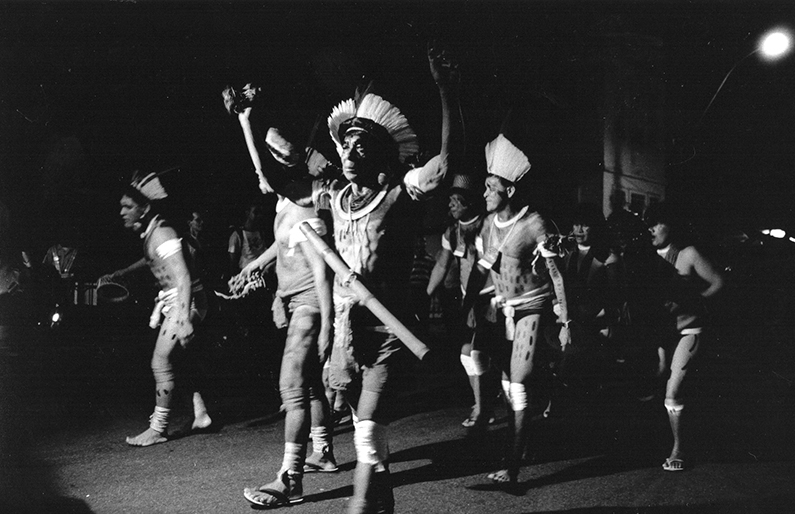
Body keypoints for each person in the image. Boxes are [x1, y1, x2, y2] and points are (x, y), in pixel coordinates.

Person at [239, 46, 461, 514]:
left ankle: (360, 508)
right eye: (348, 144)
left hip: (386, 335)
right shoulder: (333, 197)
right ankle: (371, 500)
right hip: (345, 332)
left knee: (365, 435)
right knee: (368, 442)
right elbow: (274, 182)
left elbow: (444, 162)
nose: (352, 151)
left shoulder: (401, 195)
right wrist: (247, 121)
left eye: (364, 145)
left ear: (382, 152)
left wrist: (445, 90)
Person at [228, 88, 340, 509]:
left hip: (311, 300)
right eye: (270, 154)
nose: (270, 160)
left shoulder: (314, 195)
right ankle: (324, 451)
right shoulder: (285, 196)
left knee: (291, 384)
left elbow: (320, 265)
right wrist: (256, 265)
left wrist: (328, 323)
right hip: (294, 298)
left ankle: (289, 478)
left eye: (280, 153)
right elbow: (287, 236)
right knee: (308, 381)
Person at [460, 133, 571, 487]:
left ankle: (512, 465)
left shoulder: (533, 224)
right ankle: (522, 443)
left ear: (508, 190)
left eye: (490, 187)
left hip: (531, 309)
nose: (484, 193)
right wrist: (467, 307)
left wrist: (565, 319)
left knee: (518, 381)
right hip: (501, 310)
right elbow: (481, 269)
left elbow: (556, 273)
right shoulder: (487, 225)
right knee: (508, 383)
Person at [106, 171, 212, 446]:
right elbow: (151, 259)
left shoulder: (162, 234)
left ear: (145, 208)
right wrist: (125, 271)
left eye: (127, 207)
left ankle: (158, 428)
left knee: (160, 361)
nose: (122, 212)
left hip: (183, 301)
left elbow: (183, 276)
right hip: (177, 300)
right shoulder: (154, 233)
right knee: (182, 360)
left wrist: (184, 318)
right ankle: (200, 414)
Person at [645, 202, 724, 472]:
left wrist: (691, 301)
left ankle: (679, 448)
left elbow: (718, 283)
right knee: (655, 378)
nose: (651, 229)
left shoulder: (688, 254)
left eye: (657, 223)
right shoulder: (643, 254)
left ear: (671, 226)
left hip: (689, 330)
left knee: (673, 389)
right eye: (648, 223)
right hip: (660, 332)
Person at [426, 173, 496, 428]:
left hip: (493, 299)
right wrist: (426, 296)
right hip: (470, 300)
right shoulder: (452, 231)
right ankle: (482, 405)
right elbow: (442, 265)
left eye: (456, 201)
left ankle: (484, 407)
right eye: (450, 200)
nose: (451, 205)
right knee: (468, 354)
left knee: (477, 352)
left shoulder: (489, 225)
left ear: (469, 202)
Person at [553, 203, 621, 390]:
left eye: (585, 225)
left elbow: (615, 298)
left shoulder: (608, 257)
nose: (578, 230)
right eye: (575, 224)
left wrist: (588, 321)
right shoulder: (566, 254)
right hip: (567, 323)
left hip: (595, 326)